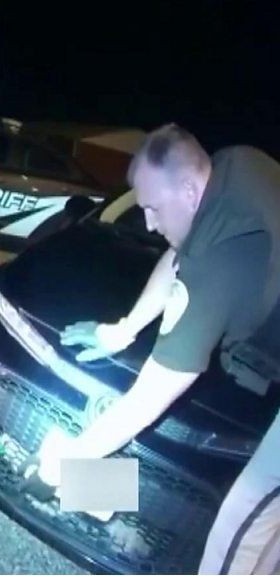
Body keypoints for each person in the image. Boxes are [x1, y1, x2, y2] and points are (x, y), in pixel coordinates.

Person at [30, 124, 280, 574]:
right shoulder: (232, 164)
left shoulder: (220, 259)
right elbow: (176, 255)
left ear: (186, 188)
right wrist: (122, 331)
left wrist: (70, 463)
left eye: (152, 209)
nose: (147, 223)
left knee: (243, 525)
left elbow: (151, 396)